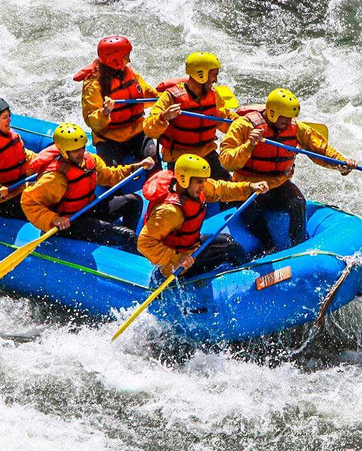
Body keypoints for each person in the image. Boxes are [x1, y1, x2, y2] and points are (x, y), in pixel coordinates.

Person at [219, 88, 357, 252]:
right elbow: (226, 161)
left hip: (277, 183)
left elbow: (320, 149)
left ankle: (299, 246)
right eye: (284, 118)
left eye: (290, 117)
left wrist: (340, 162)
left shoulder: (296, 128)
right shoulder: (243, 126)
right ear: (271, 113)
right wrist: (249, 145)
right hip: (247, 183)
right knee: (251, 212)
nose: (288, 121)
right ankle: (267, 246)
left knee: (297, 202)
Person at [21, 122, 155, 252]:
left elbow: (108, 175)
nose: (81, 153)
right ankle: (129, 247)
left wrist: (135, 167)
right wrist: (53, 219)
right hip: (70, 222)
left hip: (87, 208)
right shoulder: (55, 178)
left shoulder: (89, 160)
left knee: (134, 201)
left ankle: (123, 248)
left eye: (82, 147)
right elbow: (28, 202)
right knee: (127, 235)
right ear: (63, 151)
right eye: (75, 151)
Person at [138, 154, 268, 279]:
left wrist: (249, 187)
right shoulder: (170, 212)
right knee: (232, 249)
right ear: (184, 179)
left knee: (226, 239)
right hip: (176, 266)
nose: (203, 186)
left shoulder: (192, 187)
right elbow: (144, 243)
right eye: (200, 182)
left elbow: (220, 189)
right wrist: (177, 259)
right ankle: (250, 278)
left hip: (189, 247)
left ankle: (239, 271)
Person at [143, 52, 236, 180]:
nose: (216, 80)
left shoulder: (214, 95)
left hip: (206, 154)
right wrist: (163, 117)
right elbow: (149, 129)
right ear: (201, 74)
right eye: (214, 75)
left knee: (228, 186)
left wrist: (245, 126)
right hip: (180, 157)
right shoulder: (170, 97)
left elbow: (225, 120)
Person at [73, 35, 161, 171]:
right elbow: (91, 119)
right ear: (116, 60)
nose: (129, 60)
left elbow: (148, 94)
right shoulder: (94, 84)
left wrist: (164, 99)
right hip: (109, 139)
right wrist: (105, 112)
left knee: (154, 157)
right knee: (111, 171)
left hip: (137, 132)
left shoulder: (128, 73)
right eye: (126, 56)